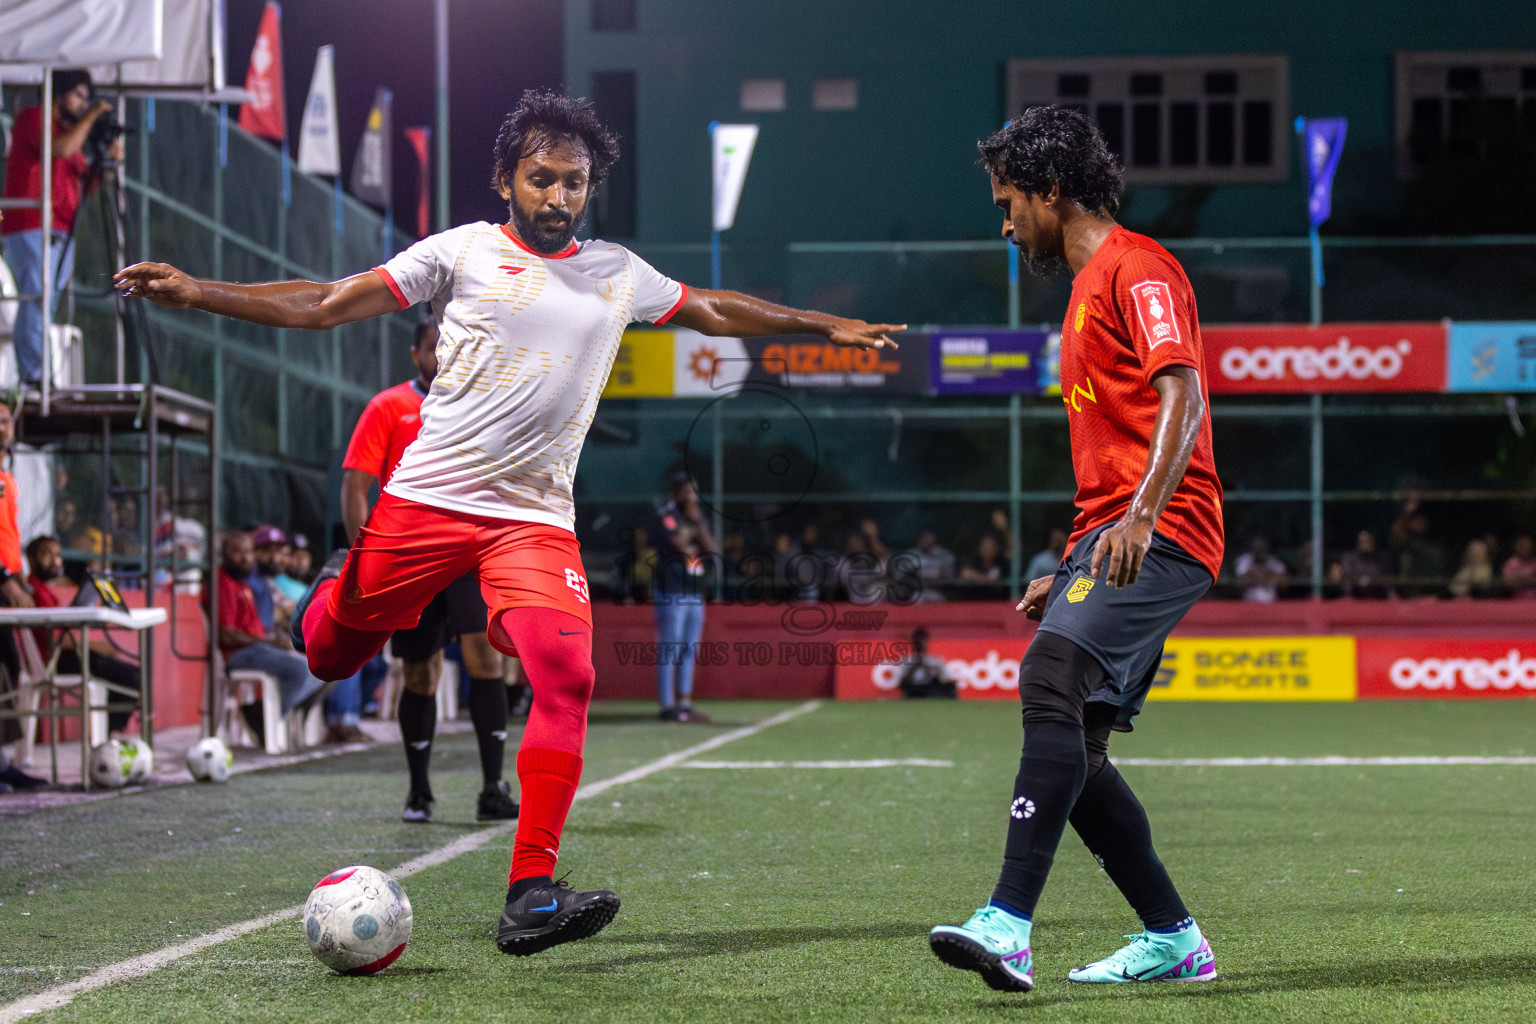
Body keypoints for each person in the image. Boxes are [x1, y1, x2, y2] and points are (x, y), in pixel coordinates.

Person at [115, 88, 902, 957]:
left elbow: (711, 308)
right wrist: (197, 292)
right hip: (427, 503)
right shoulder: (462, 253)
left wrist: (823, 324)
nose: (558, 196)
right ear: (506, 181)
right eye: (541, 179)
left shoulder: (617, 272)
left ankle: (530, 891)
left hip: (531, 518)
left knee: (567, 674)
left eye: (574, 182)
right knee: (329, 652)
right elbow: (328, 303)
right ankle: (341, 590)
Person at [929, 107, 1224, 993]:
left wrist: (1139, 515)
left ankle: (1008, 924)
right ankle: (1175, 939)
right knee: (1081, 749)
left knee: (1049, 678)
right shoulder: (1085, 289)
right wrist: (1072, 561)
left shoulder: (1139, 268)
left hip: (1167, 531)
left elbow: (1185, 393)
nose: (1007, 221)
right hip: (1117, 532)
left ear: (1053, 191)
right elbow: (1111, 453)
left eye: (1010, 201)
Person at [337, 308, 518, 821]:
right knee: (420, 675)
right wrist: (363, 560)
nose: (445, 354)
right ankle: (419, 792)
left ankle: (492, 789)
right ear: (417, 354)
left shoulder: (484, 405)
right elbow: (354, 486)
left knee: (489, 662)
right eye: (435, 346)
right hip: (409, 561)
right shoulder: (388, 407)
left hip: (468, 554)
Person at [1, 70, 121, 387]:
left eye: (87, 98)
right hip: (30, 224)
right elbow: (61, 149)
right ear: (59, 92)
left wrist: (108, 166)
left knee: (46, 301)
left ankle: (37, 373)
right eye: (79, 95)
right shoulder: (33, 118)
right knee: (38, 296)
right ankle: (35, 377)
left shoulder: (71, 134)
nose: (83, 103)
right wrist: (94, 114)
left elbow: (84, 181)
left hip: (59, 230)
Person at [211, 531, 328, 745]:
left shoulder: (243, 582)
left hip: (259, 648)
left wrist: (280, 640)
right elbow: (226, 635)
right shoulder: (222, 582)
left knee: (321, 668)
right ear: (224, 554)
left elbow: (266, 624)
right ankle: (266, 718)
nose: (245, 557)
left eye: (247, 551)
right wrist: (270, 642)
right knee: (301, 669)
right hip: (238, 654)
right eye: (236, 552)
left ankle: (270, 714)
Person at [25, 535, 142, 735]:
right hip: (55, 661)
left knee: (130, 674)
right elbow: (55, 639)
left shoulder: (43, 590)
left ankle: (107, 735)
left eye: (58, 555)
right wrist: (95, 646)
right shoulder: (34, 591)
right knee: (131, 678)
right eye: (47, 555)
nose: (55, 561)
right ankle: (110, 737)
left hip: (65, 656)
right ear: (31, 560)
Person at [649, 474, 716, 723]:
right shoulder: (667, 514)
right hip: (671, 589)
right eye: (687, 491)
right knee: (670, 648)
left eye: (694, 491)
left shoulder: (696, 517)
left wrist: (698, 522)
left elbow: (711, 548)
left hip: (694, 591)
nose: (691, 496)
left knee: (689, 649)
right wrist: (692, 540)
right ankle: (667, 705)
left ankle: (684, 703)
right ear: (677, 492)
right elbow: (679, 544)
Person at [897, 628, 957, 699]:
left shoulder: (935, 660)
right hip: (915, 687)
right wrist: (915, 666)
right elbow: (902, 681)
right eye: (919, 641)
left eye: (924, 641)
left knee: (950, 687)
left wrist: (936, 672)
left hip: (930, 686)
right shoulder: (907, 660)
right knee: (908, 686)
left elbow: (944, 679)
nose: (922, 644)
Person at [1338, 530, 1393, 598]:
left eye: (1367, 541)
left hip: (1378, 598)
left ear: (1373, 542)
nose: (1365, 544)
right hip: (1356, 598)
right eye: (1362, 542)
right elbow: (1347, 577)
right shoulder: (1350, 558)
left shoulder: (1382, 559)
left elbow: (1386, 579)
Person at [904, 529, 957, 601]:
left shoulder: (945, 555)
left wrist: (923, 576)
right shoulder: (910, 555)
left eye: (929, 539)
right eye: (924, 539)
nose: (926, 542)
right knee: (916, 598)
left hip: (939, 590)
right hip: (916, 590)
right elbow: (909, 576)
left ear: (935, 541)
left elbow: (947, 576)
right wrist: (931, 576)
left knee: (939, 598)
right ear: (919, 541)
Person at [1235, 537, 1287, 602]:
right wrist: (1259, 577)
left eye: (1261, 549)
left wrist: (1262, 577)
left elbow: (1283, 583)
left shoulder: (1275, 562)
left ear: (1266, 549)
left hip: (1271, 602)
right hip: (1248, 602)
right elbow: (1240, 581)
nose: (1259, 552)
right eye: (1257, 548)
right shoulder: (1244, 560)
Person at [1501, 534, 1536, 599]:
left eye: (1528, 546)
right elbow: (1507, 584)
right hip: (1515, 603)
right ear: (1517, 547)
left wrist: (1519, 579)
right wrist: (1529, 579)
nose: (1526, 549)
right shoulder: (1510, 564)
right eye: (1523, 546)